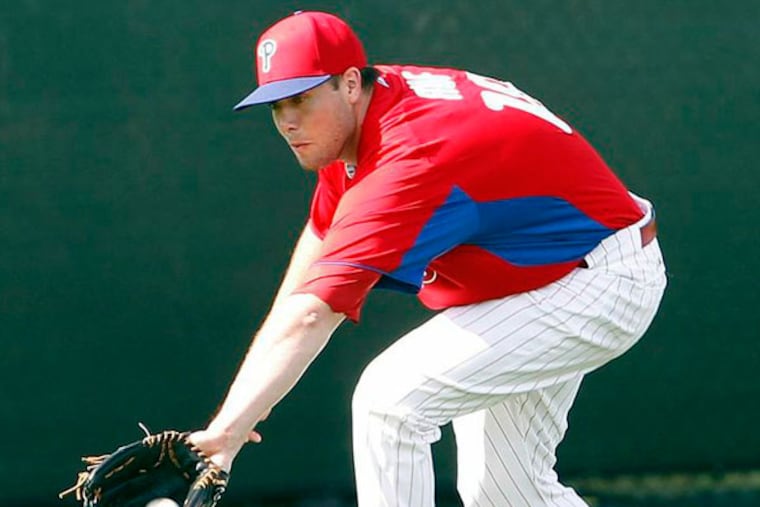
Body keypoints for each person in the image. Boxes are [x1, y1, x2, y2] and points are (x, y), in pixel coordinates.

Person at [188, 10, 667, 507]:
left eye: (301, 99)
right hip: (542, 274)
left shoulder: (410, 152)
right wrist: (229, 426)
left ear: (349, 83)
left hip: (595, 279)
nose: (288, 121)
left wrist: (227, 433)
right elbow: (313, 261)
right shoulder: (363, 111)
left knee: (389, 403)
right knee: (506, 490)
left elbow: (313, 312)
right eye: (276, 106)